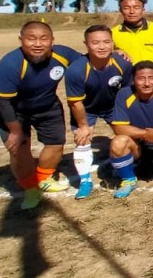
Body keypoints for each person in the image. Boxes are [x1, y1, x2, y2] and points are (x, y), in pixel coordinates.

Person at [0, 21, 82, 209]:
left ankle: (44, 179)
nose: (38, 44)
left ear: (52, 40)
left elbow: (87, 63)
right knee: (19, 148)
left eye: (43, 39)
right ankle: (31, 189)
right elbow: (3, 101)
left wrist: (117, 54)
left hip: (47, 105)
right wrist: (15, 130)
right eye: (31, 39)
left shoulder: (63, 54)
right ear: (21, 40)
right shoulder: (10, 63)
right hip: (12, 109)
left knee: (56, 144)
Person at [64, 25, 132, 199]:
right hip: (87, 109)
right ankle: (85, 181)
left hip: (113, 107)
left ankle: (127, 171)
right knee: (82, 138)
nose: (102, 46)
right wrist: (83, 126)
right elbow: (76, 102)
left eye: (106, 42)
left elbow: (127, 92)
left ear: (112, 43)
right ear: (86, 44)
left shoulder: (122, 63)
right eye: (95, 43)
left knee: (126, 138)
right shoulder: (76, 69)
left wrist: (127, 116)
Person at [108, 61, 153, 199]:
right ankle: (129, 179)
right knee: (118, 142)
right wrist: (147, 135)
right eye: (141, 78)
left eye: (151, 78)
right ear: (134, 80)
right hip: (139, 146)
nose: (147, 83)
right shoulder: (124, 94)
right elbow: (118, 127)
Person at [112, 0, 153, 85]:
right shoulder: (113, 33)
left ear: (143, 10)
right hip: (129, 84)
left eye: (136, 7)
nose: (132, 11)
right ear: (121, 11)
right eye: (127, 8)